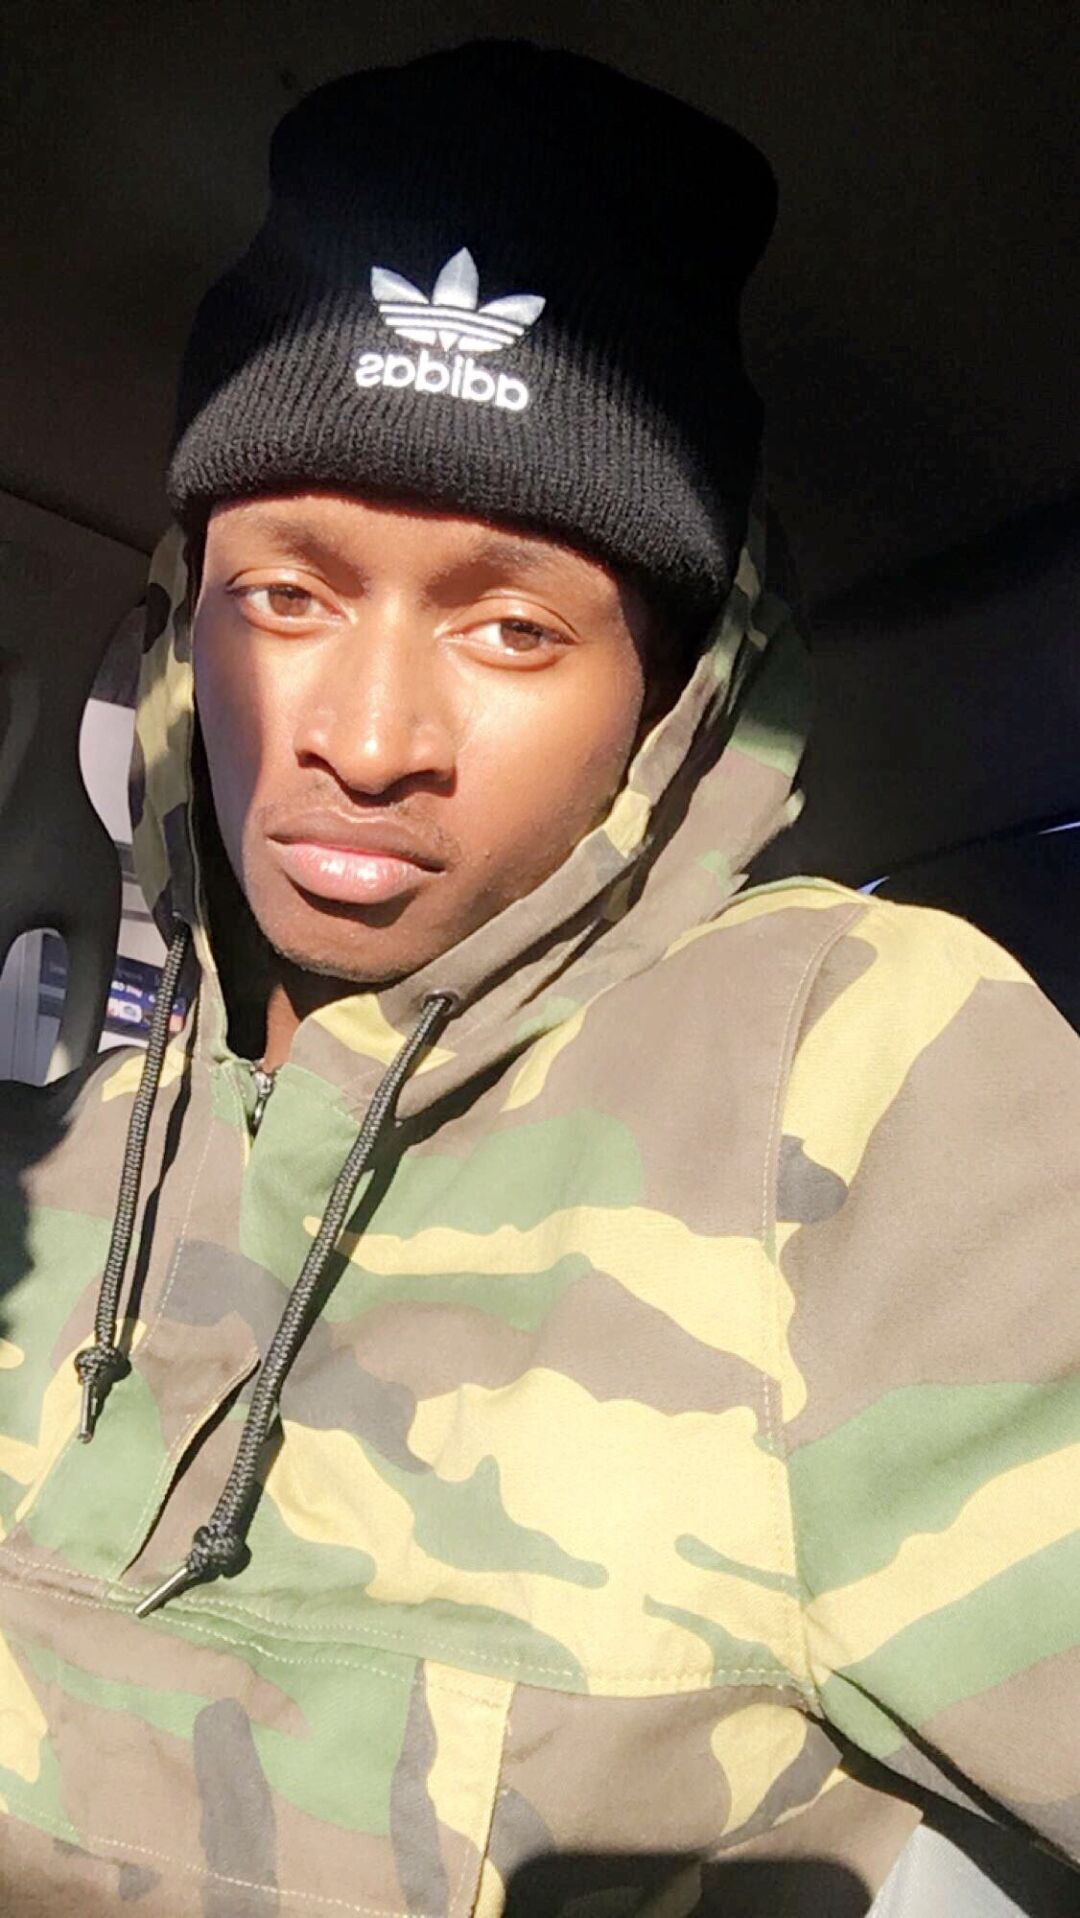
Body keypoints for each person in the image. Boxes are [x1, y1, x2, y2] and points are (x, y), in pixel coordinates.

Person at [1, 40, 1078, 1918]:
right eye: (288, 595)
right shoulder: (71, 1151)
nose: (367, 737)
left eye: (511, 625)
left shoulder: (855, 1072)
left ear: (667, 690)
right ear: (183, 629)